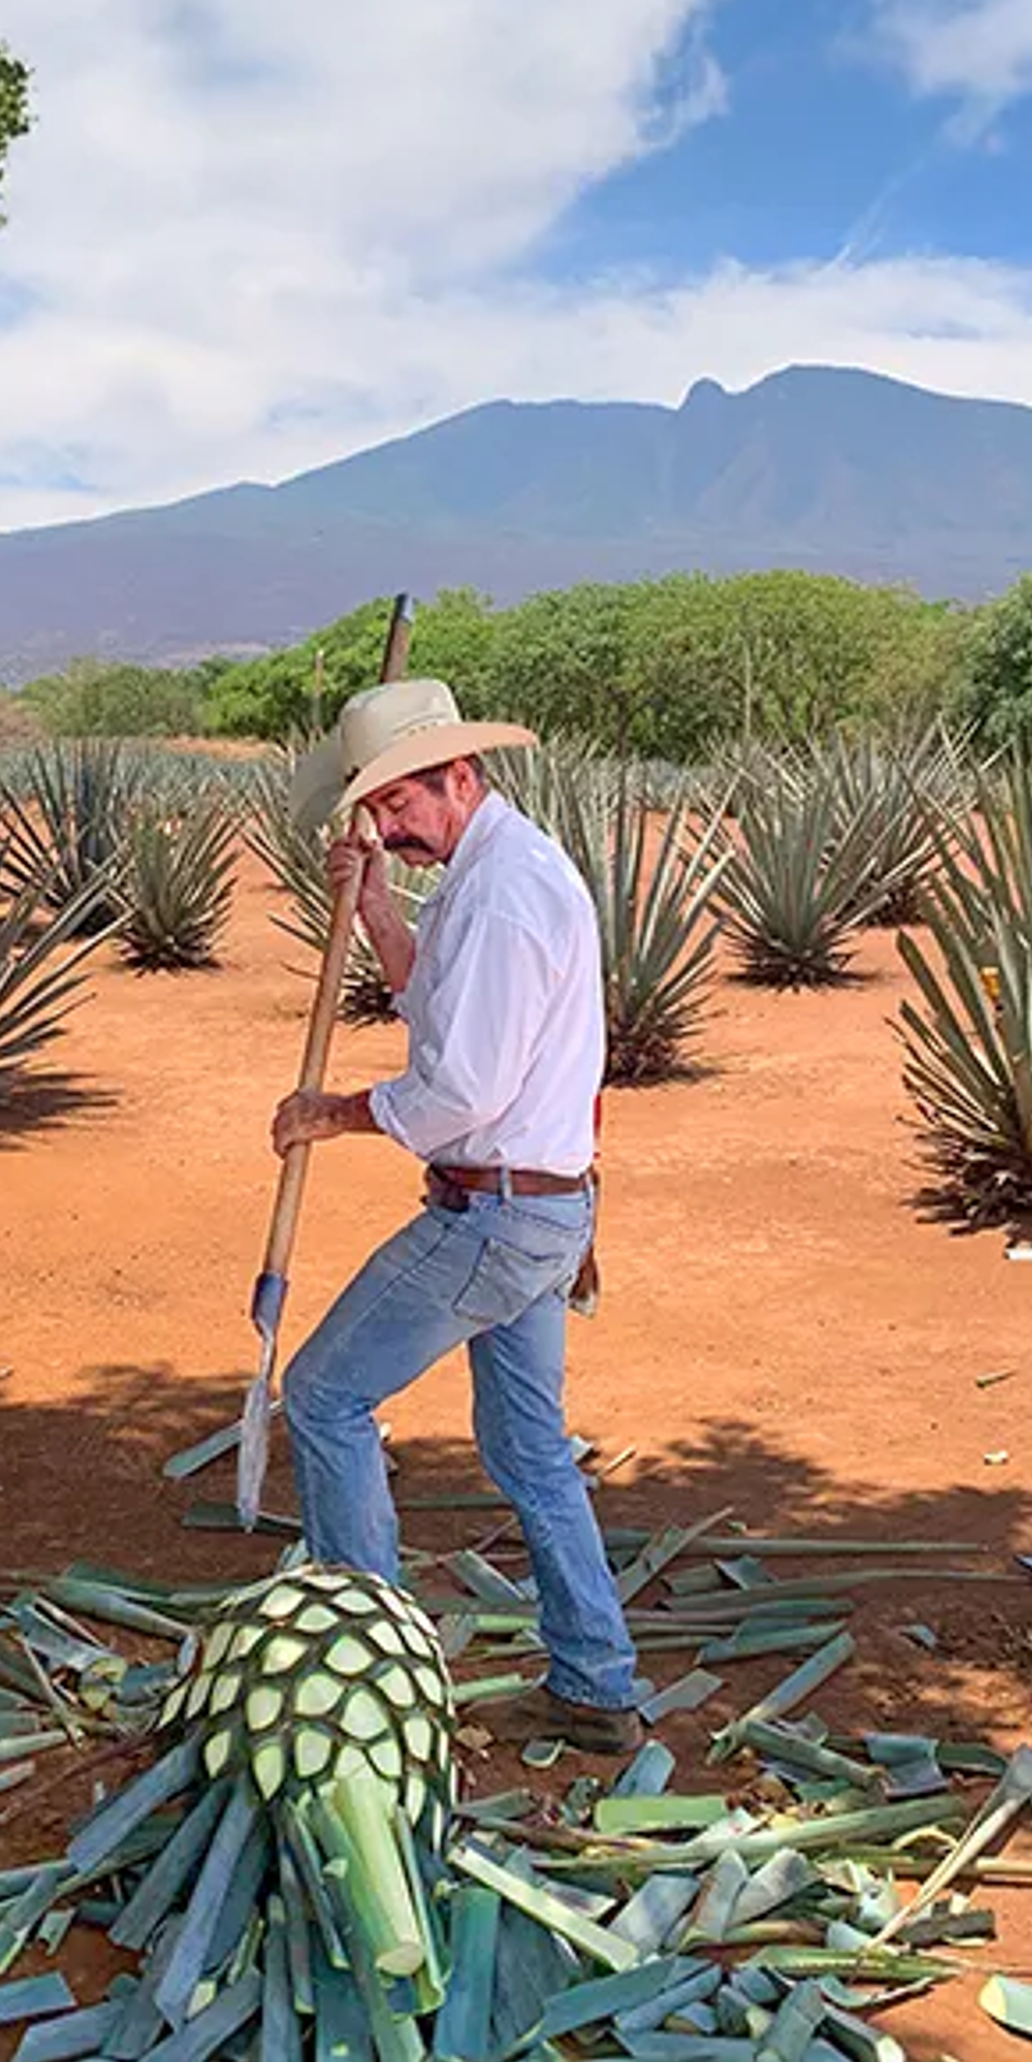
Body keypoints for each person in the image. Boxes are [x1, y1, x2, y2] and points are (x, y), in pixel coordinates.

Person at [268, 678, 640, 1754]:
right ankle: (596, 1682)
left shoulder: (509, 893)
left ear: (463, 776)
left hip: (494, 1217)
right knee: (530, 1452)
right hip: (538, 1213)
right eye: (375, 811)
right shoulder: (486, 874)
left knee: (326, 1396)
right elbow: (437, 1007)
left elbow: (459, 1093)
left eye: (401, 806)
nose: (387, 825)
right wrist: (380, 905)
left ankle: (364, 1679)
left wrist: (329, 1112)